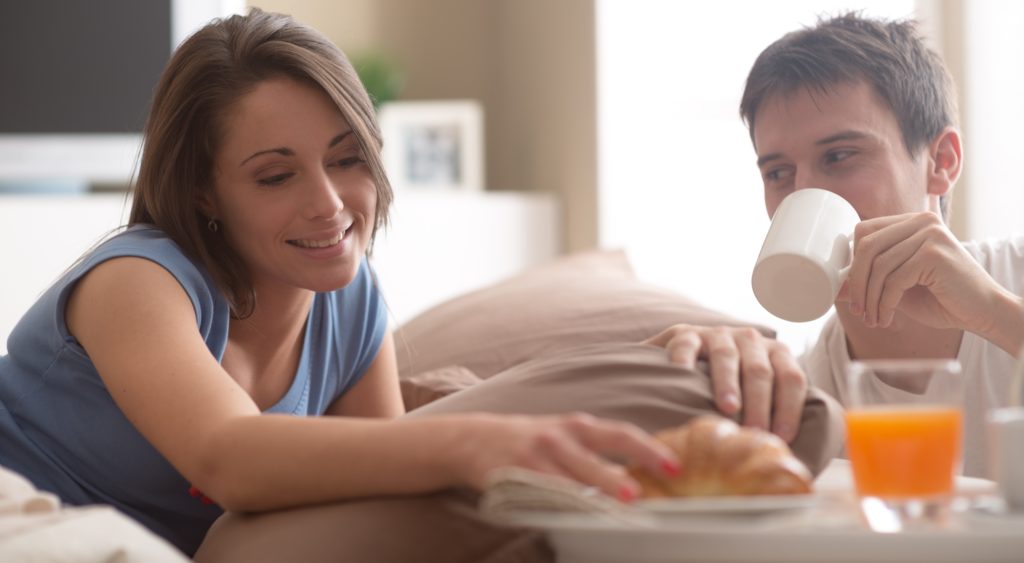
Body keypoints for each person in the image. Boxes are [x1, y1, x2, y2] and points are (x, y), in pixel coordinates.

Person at [0, 9, 821, 557]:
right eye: (275, 175)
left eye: (347, 158)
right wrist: (478, 437)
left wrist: (621, 379)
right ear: (205, 192)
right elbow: (230, 458)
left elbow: (379, 484)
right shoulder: (138, 281)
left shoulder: (352, 304)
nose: (330, 205)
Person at [730, 12, 1024, 477]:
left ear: (941, 162)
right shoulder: (801, 402)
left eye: (839, 156)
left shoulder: (1016, 276)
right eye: (778, 173)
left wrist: (992, 312)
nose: (802, 193)